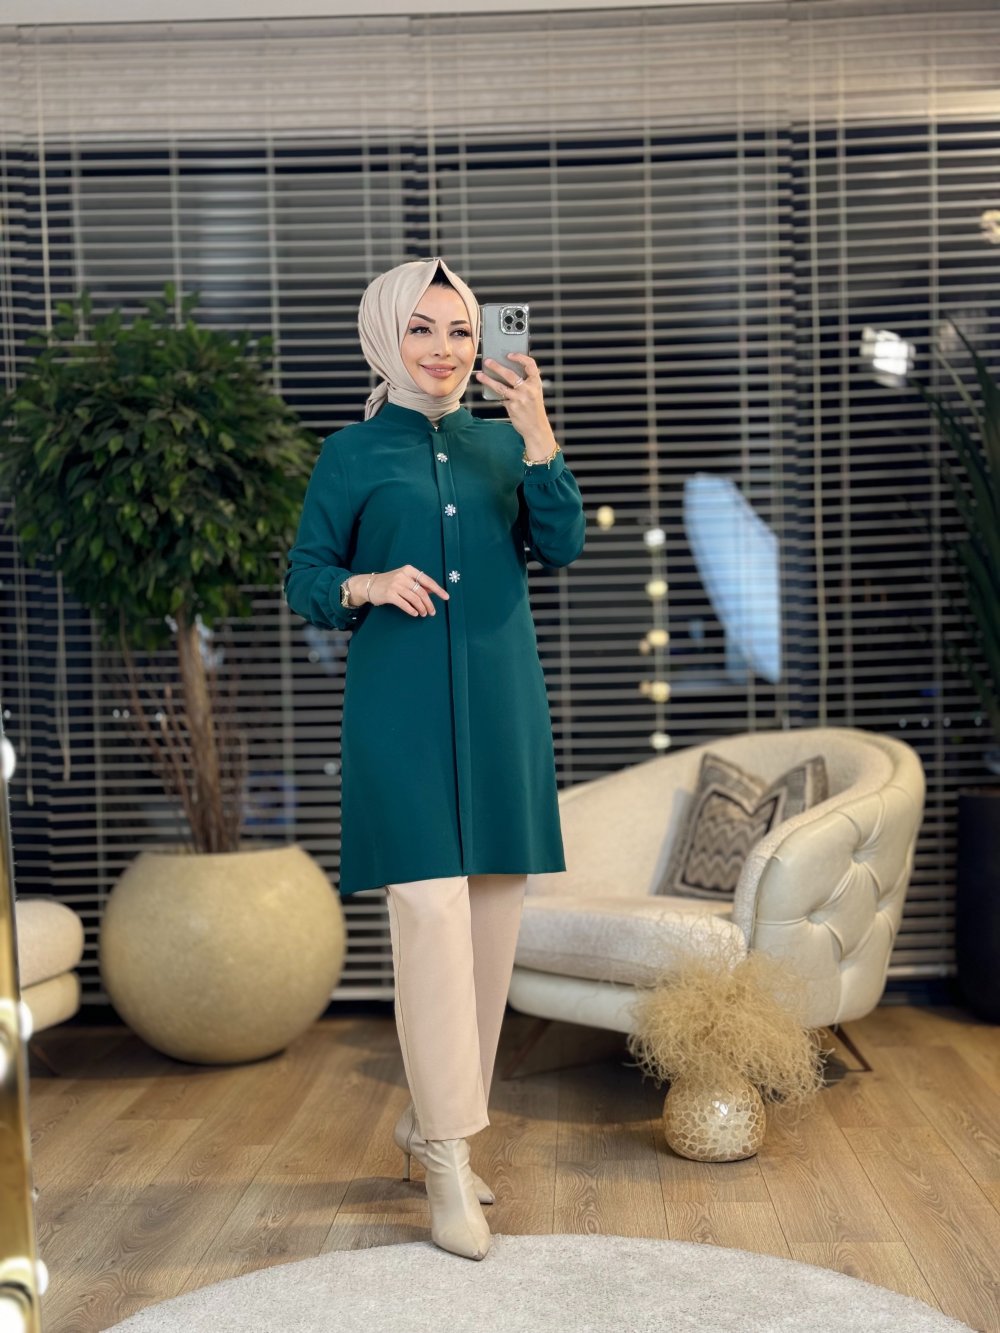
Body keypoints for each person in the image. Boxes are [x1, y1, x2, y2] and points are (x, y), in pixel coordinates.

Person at [283, 256, 586, 1261]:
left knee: (492, 923)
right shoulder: (350, 454)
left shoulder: (504, 445)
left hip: (502, 708)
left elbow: (564, 546)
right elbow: (306, 576)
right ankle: (449, 1158)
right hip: (399, 716)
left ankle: (431, 1122)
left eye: (460, 330)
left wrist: (539, 436)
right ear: (385, 336)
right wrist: (368, 584)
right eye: (422, 328)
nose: (445, 349)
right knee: (428, 917)